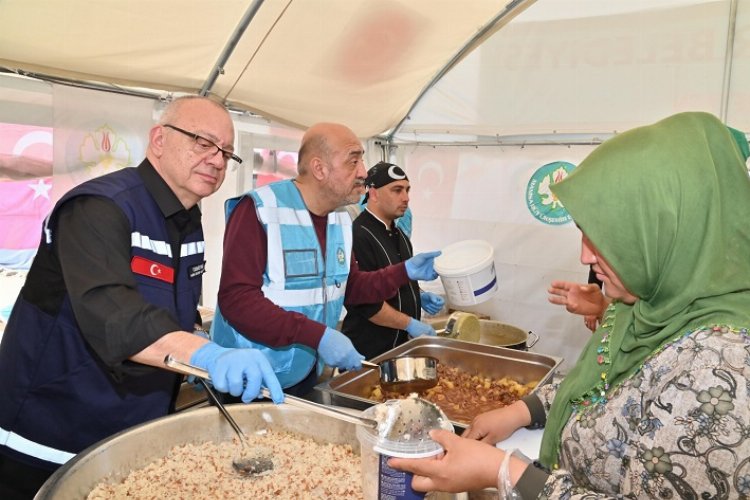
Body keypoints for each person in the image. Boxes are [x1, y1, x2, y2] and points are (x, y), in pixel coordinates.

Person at [389, 112, 750, 498]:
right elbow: (602, 388)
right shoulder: (647, 306)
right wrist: (524, 410)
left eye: (604, 238)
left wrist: (503, 472)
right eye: (582, 233)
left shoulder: (721, 371)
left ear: (667, 230)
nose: (584, 257)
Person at [0, 96, 284, 499]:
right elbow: (115, 316)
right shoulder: (99, 207)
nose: (217, 160)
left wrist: (196, 340)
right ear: (158, 140)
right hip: (49, 436)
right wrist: (206, 356)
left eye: (226, 152)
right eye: (203, 142)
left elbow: (173, 311)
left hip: (128, 433)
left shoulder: (189, 221)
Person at [211, 122, 441, 396]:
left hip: (306, 374)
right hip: (249, 379)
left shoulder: (340, 219)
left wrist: (403, 272)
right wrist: (317, 336)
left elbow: (352, 287)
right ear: (319, 168)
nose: (363, 173)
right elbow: (236, 299)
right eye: (353, 161)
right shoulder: (260, 210)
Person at [341, 161, 444, 359]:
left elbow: (398, 278)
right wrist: (410, 324)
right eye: (397, 190)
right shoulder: (358, 235)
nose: (406, 198)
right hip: (370, 354)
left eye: (407, 190)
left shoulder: (399, 235)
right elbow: (366, 304)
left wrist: (418, 295)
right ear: (373, 193)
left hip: (400, 350)